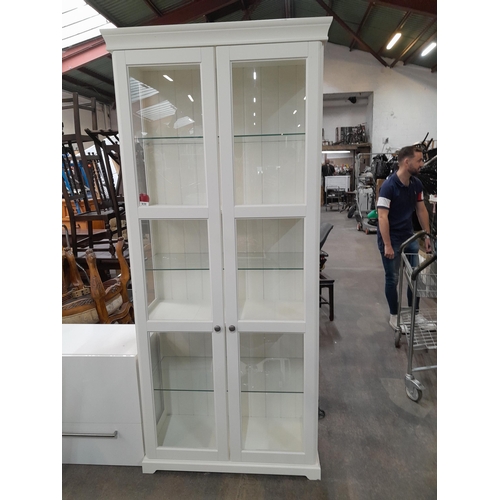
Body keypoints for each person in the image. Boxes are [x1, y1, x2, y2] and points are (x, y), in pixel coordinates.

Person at [376, 145, 431, 329]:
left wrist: (427, 235)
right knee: (392, 278)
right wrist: (388, 245)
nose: (422, 164)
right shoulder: (388, 187)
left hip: (409, 238)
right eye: (419, 160)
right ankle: (394, 315)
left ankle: (415, 315)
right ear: (407, 162)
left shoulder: (416, 184)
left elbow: (421, 209)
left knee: (414, 277)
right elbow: (382, 217)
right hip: (391, 239)